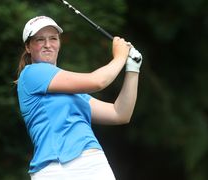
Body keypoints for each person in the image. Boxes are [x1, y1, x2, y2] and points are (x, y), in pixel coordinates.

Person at [16, 15, 142, 180]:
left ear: (59, 43)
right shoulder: (32, 73)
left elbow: (120, 113)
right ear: (28, 47)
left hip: (93, 164)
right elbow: (97, 82)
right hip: (56, 168)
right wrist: (119, 57)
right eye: (40, 40)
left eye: (53, 38)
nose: (48, 45)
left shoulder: (72, 92)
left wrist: (133, 69)